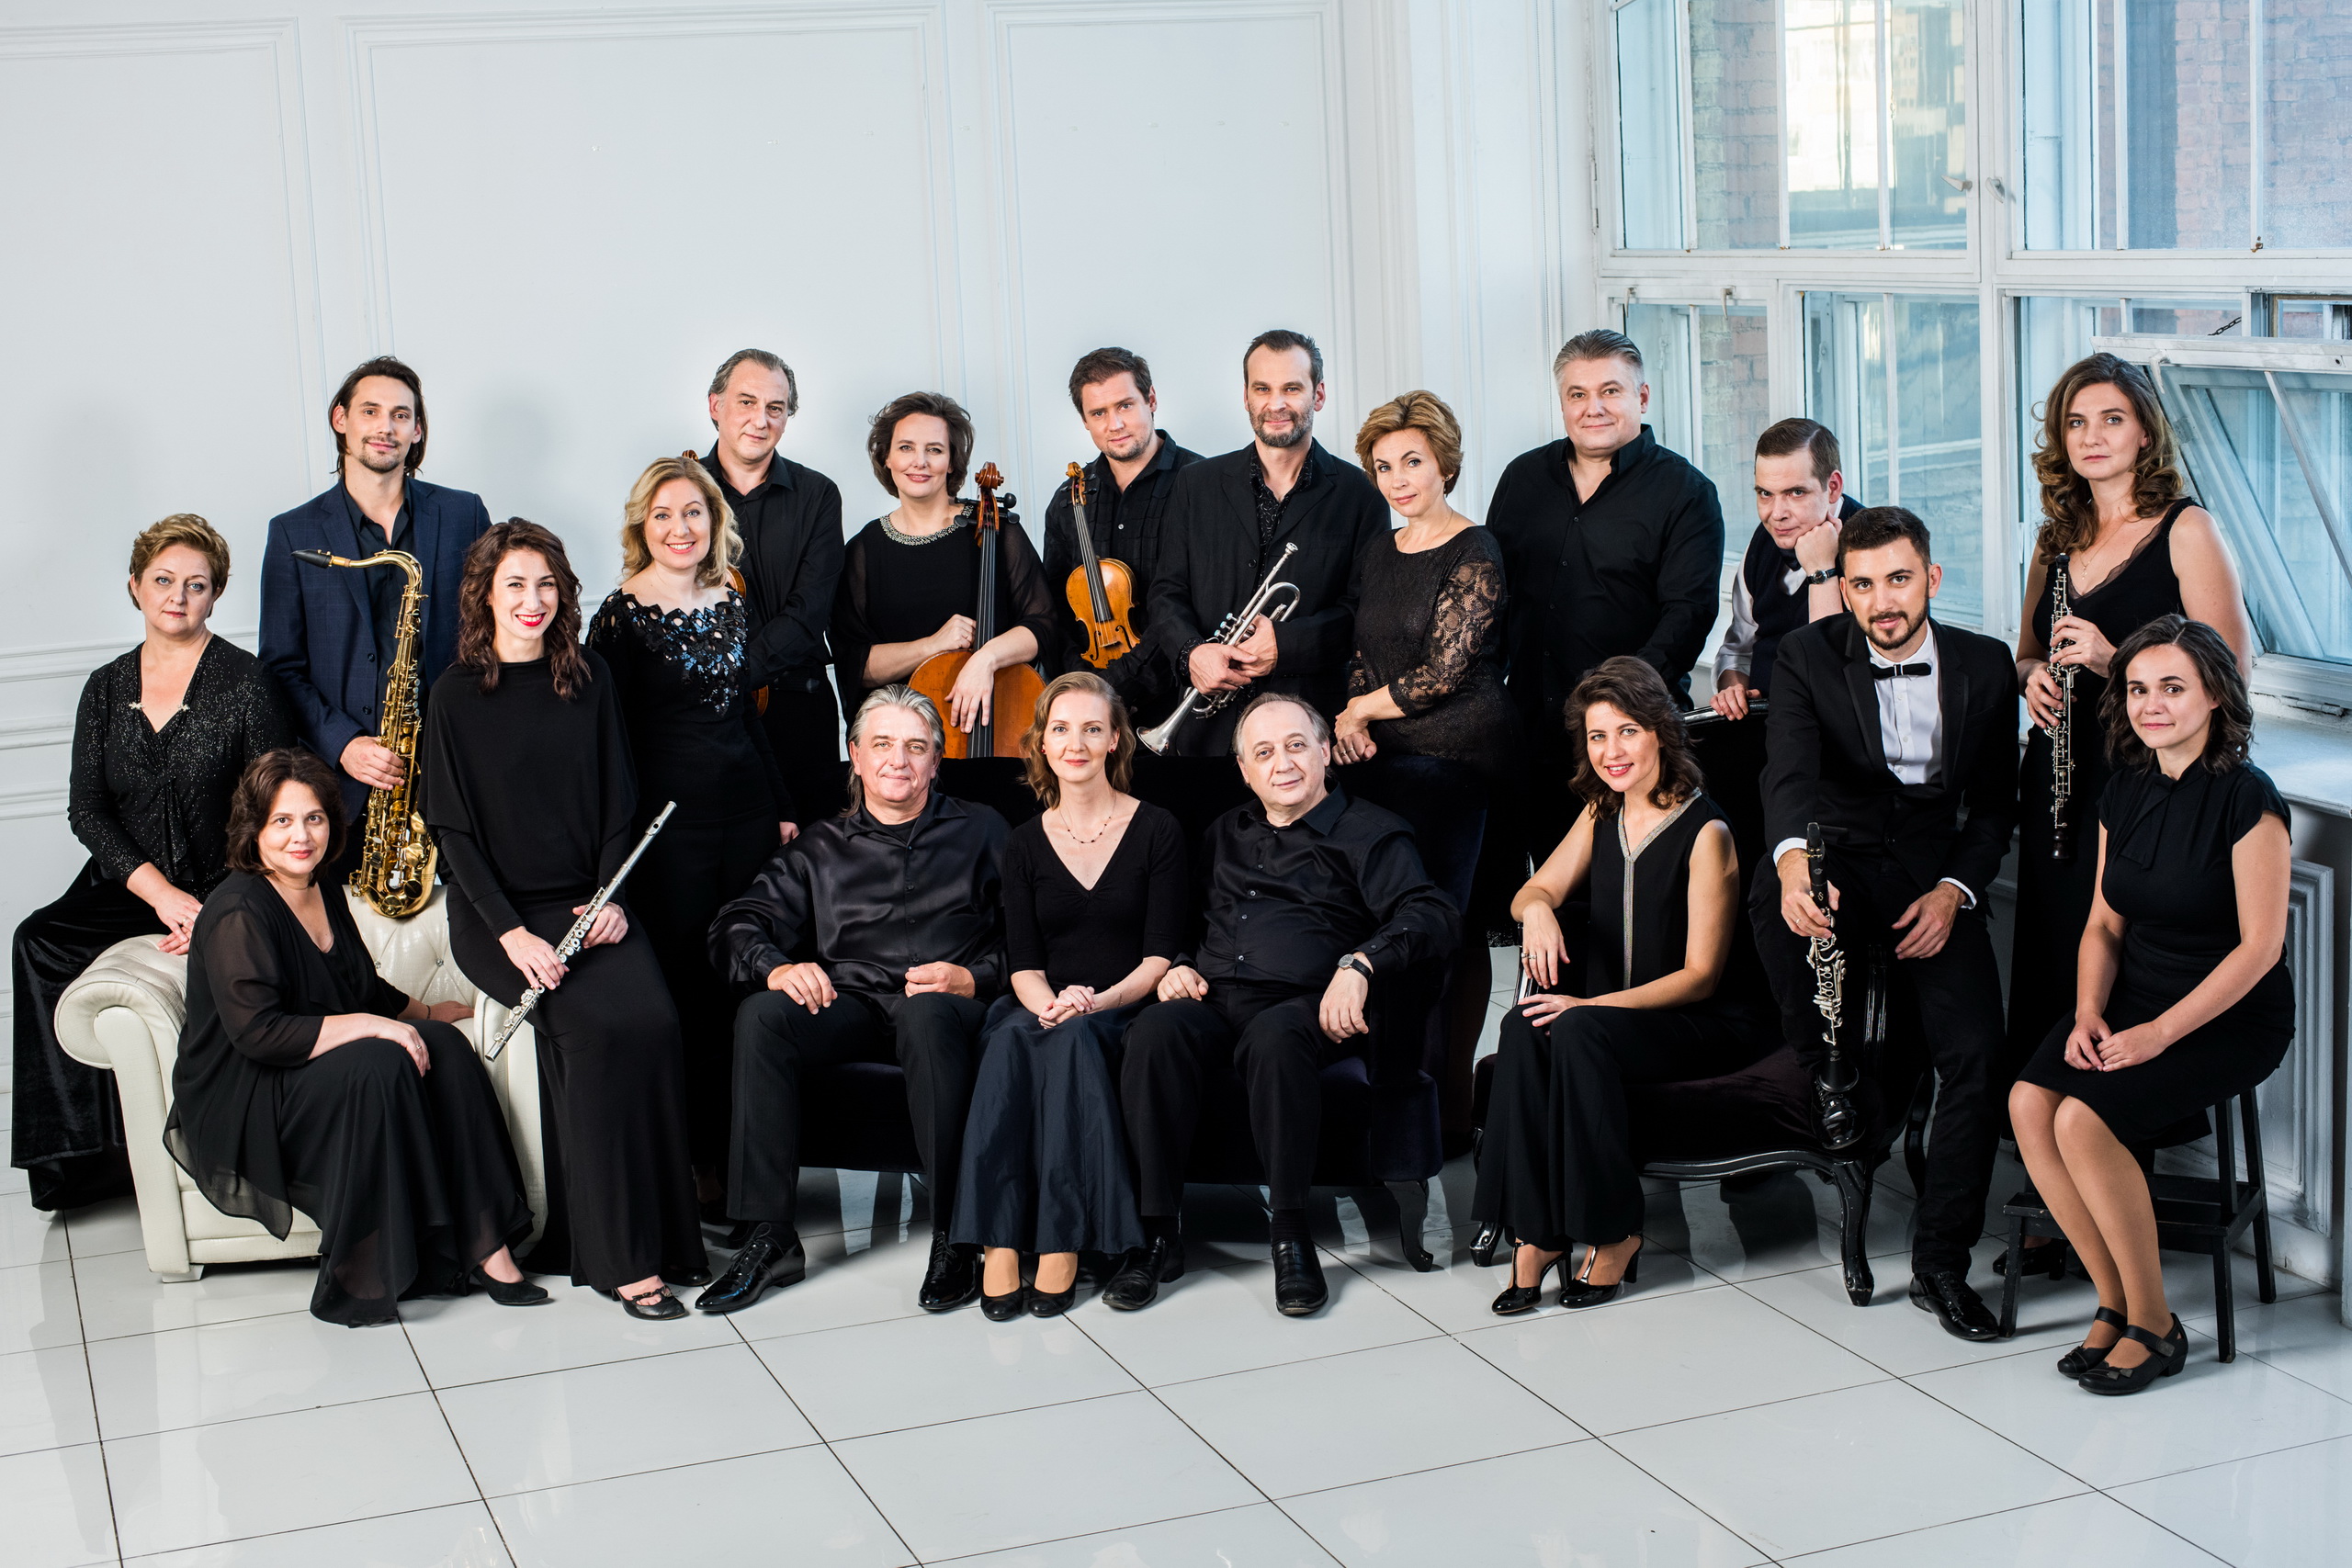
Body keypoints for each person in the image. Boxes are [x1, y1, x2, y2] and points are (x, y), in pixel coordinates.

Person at [423, 521, 707, 1319]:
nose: (533, 600)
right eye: (515, 584)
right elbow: (453, 834)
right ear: (484, 595)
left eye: (546, 583)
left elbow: (621, 800)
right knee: (594, 1031)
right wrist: (511, 933)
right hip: (499, 916)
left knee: (654, 1021)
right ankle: (621, 1258)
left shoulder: (587, 677)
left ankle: (668, 1240)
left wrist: (613, 896)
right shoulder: (452, 695)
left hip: (588, 901)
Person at [1753, 506, 2019, 1342]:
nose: (1881, 600)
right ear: (1844, 589)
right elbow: (1787, 777)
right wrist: (1794, 864)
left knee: (1977, 1054)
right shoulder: (1806, 655)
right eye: (1862, 584)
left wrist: (1954, 891)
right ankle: (1825, 1074)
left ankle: (1941, 1262)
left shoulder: (1986, 663)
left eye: (1898, 579)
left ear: (1931, 579)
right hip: (1838, 850)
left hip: (1931, 874)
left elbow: (1995, 807)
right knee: (1770, 895)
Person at [164, 749, 543, 1325]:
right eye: (282, 821)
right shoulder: (237, 909)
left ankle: (489, 1247)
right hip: (247, 1090)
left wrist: (427, 1013)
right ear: (254, 828)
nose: (301, 836)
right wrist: (377, 1026)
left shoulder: (323, 886)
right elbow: (259, 1034)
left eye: (314, 818)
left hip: (310, 1066)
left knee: (445, 1047)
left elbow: (359, 985)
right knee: (380, 1060)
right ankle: (362, 1273)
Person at [2011, 617, 2291, 1394]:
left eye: (2172, 687)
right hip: (2136, 993)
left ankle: (2157, 1323)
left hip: (2229, 1012)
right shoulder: (2125, 787)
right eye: (2138, 688)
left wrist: (2158, 1035)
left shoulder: (2249, 800)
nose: (2151, 705)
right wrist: (2088, 1011)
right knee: (2030, 1101)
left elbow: (2260, 950)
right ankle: (2116, 1300)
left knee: (2082, 1118)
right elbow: (2103, 924)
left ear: (2214, 696)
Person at [1111, 693, 1458, 1316]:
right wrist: (1179, 964)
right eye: (1264, 752)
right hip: (1213, 998)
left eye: (1297, 745)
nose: (1283, 763)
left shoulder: (1371, 832)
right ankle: (1157, 1233)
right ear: (1245, 770)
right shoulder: (1224, 832)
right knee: (1154, 1032)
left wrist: (1361, 964)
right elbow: (1183, 919)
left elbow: (1431, 913)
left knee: (1274, 1039)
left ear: (1325, 751)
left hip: (1305, 1004)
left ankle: (1291, 1235)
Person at [695, 686, 1011, 1316]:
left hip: (948, 1005)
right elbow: (734, 925)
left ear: (936, 761)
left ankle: (958, 1233)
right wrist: (778, 966)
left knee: (925, 1013)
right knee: (764, 1016)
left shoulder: (984, 830)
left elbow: (1035, 936)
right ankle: (770, 1235)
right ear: (856, 756)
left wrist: (973, 978)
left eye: (916, 746)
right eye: (883, 744)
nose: (899, 759)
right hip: (855, 1005)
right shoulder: (819, 847)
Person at [1475, 659, 1775, 1314]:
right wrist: (1538, 910)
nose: (1611, 751)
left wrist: (1586, 1004)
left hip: (1702, 1024)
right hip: (1609, 1022)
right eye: (1597, 736)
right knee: (1521, 1026)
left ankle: (1615, 1232)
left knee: (1575, 1026)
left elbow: (1700, 978)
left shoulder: (1707, 832)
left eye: (1627, 731)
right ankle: (1537, 1234)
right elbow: (1532, 890)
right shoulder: (1600, 810)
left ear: (1660, 731)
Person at [2006, 355, 2256, 1136]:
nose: (2093, 436)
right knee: (2057, 955)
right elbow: (2026, 653)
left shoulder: (2187, 529)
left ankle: (2114, 1144)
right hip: (2056, 781)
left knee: (2122, 957)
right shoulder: (2055, 539)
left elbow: (2229, 677)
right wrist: (2031, 680)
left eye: (2112, 419)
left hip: (2147, 787)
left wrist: (2116, 661)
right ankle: (2054, 1153)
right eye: (2076, 422)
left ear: (2145, 432)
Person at [13, 516, 290, 1211]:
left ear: (216, 594)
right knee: (38, 941)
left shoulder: (248, 681)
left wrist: (219, 906)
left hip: (226, 879)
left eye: (197, 584)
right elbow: (87, 811)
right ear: (135, 585)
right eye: (164, 580)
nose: (178, 596)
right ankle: (85, 1159)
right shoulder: (105, 687)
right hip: (133, 882)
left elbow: (270, 811)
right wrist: (161, 895)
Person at [587, 454, 793, 1224]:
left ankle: (748, 1160)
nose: (681, 528)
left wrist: (781, 808)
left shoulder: (731, 599)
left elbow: (746, 715)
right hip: (669, 834)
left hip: (746, 822)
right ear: (643, 525)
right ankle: (697, 1164)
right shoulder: (619, 615)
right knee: (688, 993)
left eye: (694, 513)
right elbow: (608, 743)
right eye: (665, 514)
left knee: (745, 986)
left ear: (714, 521)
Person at [951, 672, 1188, 1318]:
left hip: (1124, 1003)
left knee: (1075, 1039)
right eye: (1060, 729)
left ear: (1115, 740)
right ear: (1042, 743)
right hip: (1045, 999)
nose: (1075, 743)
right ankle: (997, 1239)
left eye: (1091, 729)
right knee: (1007, 1039)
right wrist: (1048, 1004)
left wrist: (1096, 1001)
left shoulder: (1157, 829)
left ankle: (1063, 1239)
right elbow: (1023, 962)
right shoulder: (1024, 841)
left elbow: (1158, 956)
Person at [1329, 389, 1513, 1143]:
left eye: (1412, 461)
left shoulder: (1476, 549)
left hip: (1457, 765)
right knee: (1383, 925)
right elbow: (1361, 650)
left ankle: (1449, 1109)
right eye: (1384, 466)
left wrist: (1359, 713)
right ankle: (1393, 1100)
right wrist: (1355, 716)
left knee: (1446, 931)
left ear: (1445, 463)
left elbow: (1445, 670)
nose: (1398, 479)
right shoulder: (1379, 549)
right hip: (1383, 760)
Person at [1487, 330, 1725, 872]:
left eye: (1610, 391)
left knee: (1628, 892)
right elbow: (1494, 598)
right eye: (1577, 394)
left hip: (1629, 740)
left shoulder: (1686, 493)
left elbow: (1688, 617)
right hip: (1529, 731)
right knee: (1538, 890)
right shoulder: (1523, 477)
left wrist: (1618, 709)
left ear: (1641, 398)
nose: (1592, 408)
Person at [260, 356, 492, 851]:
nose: (385, 427)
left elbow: (495, 633)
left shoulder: (464, 513)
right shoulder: (292, 533)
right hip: (346, 786)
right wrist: (343, 744)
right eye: (370, 411)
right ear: (340, 419)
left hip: (456, 769)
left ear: (417, 430)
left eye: (401, 415)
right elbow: (281, 667)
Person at [1143, 330, 1389, 761]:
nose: (1275, 404)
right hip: (1206, 732)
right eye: (1262, 389)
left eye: (1291, 388)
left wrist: (1287, 644)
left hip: (1308, 729)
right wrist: (1191, 652)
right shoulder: (1195, 485)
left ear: (1318, 395)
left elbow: (1364, 612)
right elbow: (1166, 592)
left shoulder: (1362, 494)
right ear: (1245, 397)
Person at [831, 390, 1052, 748]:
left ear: (951, 462)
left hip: (1000, 724)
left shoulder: (997, 530)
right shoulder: (863, 550)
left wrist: (986, 658)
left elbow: (1042, 624)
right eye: (906, 448)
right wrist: (932, 646)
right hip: (904, 747)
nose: (919, 462)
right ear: (886, 457)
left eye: (934, 450)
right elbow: (856, 663)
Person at [698, 349, 848, 824]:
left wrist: (735, 676)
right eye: (746, 402)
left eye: (775, 408)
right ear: (715, 405)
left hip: (798, 706)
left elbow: (810, 612)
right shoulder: (682, 493)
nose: (760, 420)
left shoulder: (818, 494)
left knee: (812, 852)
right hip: (708, 713)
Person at [1040, 347, 1203, 705]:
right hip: (1091, 701)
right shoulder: (1067, 499)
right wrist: (1083, 683)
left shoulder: (1203, 484)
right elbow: (1055, 612)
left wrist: (1113, 685)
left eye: (1125, 406)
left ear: (1151, 399)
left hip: (1183, 695)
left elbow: (1202, 602)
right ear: (1085, 420)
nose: (1114, 425)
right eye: (1098, 413)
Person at [1708, 418, 1862, 721]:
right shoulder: (1761, 542)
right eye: (1765, 494)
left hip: (1835, 733)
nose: (1776, 514)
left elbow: (1832, 677)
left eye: (1795, 493)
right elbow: (1738, 650)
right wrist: (1733, 688)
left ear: (1832, 487)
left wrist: (1822, 571)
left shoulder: (1874, 550)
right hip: (1762, 726)